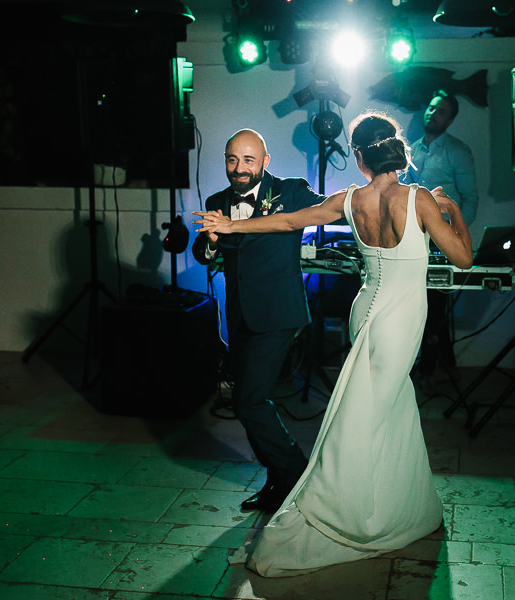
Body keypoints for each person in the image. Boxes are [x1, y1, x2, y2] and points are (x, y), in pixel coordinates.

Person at [193, 111, 472, 576]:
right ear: (394, 149)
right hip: (403, 317)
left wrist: (233, 227)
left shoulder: (350, 199)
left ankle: (387, 498)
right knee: (375, 412)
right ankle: (347, 506)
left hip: (365, 311)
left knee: (384, 406)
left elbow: (286, 222)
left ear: (359, 157)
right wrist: (453, 211)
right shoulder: (421, 200)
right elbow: (463, 258)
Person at [190, 129, 325, 513]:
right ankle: (277, 484)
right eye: (232, 159)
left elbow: (332, 207)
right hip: (241, 315)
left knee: (249, 401)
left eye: (248, 160)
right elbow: (202, 253)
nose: (239, 168)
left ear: (265, 162)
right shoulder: (218, 201)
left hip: (279, 313)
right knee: (253, 402)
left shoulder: (291, 190)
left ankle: (300, 481)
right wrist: (213, 240)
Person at [405, 89, 479, 380]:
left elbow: (470, 199)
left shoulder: (457, 151)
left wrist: (455, 234)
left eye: (441, 111)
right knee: (416, 301)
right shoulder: (411, 149)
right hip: (414, 237)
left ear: (450, 121)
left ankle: (430, 368)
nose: (432, 113)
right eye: (431, 107)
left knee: (435, 303)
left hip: (442, 237)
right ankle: (433, 364)